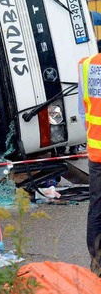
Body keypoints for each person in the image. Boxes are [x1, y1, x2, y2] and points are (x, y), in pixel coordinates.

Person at [78, 54, 101, 276]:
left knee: (96, 207)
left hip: (97, 151)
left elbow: (82, 109)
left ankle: (96, 262)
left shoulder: (87, 65)